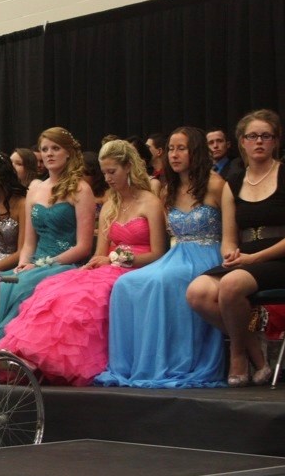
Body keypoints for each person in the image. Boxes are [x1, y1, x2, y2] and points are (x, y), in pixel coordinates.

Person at [0, 140, 166, 386]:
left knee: (85, 299)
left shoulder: (150, 202)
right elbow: (99, 253)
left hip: (139, 266)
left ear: (128, 167)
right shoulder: (110, 205)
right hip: (109, 266)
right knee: (55, 288)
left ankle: (51, 359)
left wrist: (121, 259)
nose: (107, 178)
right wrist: (91, 266)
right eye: (105, 172)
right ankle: (27, 355)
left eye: (112, 172)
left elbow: (159, 253)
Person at [187, 109, 285, 387]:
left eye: (266, 136)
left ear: (275, 141)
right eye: (252, 136)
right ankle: (257, 348)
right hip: (247, 259)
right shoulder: (233, 184)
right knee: (198, 292)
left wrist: (254, 258)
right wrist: (230, 253)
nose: (259, 142)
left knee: (230, 285)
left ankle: (238, 353)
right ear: (242, 141)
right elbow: (229, 238)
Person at [96, 127, 226, 388]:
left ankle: (177, 360)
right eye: (170, 149)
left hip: (208, 254)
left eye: (181, 148)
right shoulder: (169, 190)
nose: (174, 155)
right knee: (126, 284)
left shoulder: (217, 185)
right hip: (179, 253)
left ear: (196, 151)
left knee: (160, 281)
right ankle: (136, 364)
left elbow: (231, 229)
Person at [0, 127, 96, 341]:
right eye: (45, 149)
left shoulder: (81, 189)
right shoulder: (35, 189)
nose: (49, 153)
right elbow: (29, 243)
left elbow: (83, 247)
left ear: (68, 153)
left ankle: (8, 349)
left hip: (64, 265)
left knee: (22, 288)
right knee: (1, 284)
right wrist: (22, 264)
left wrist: (43, 265)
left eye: (55, 148)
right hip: (34, 264)